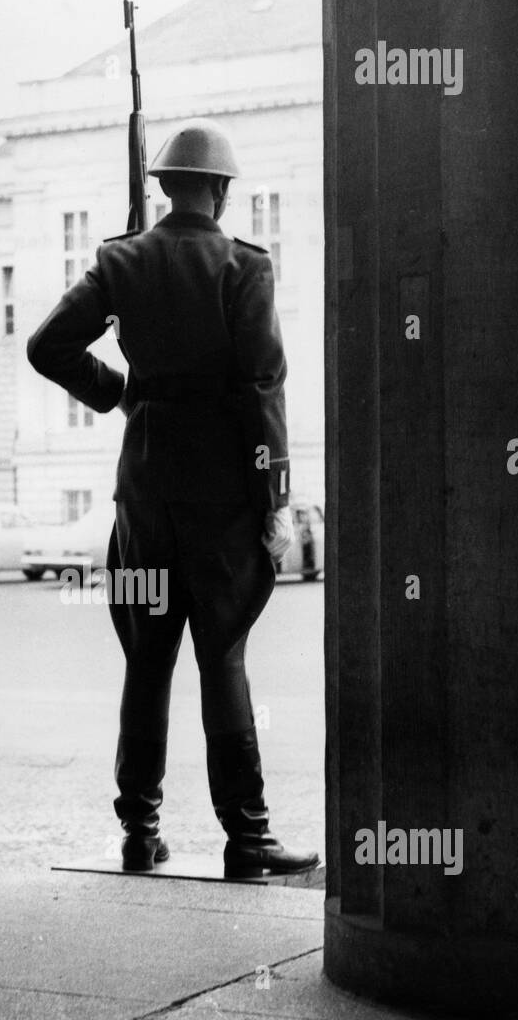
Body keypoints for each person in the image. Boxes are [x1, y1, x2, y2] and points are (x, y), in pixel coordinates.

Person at [27, 119, 320, 879]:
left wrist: (124, 393)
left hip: (142, 500)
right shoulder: (242, 269)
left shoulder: (121, 261)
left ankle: (137, 832)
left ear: (163, 186)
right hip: (220, 502)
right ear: (221, 190)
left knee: (145, 662)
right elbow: (263, 390)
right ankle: (247, 842)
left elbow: (46, 348)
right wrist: (275, 498)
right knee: (222, 658)